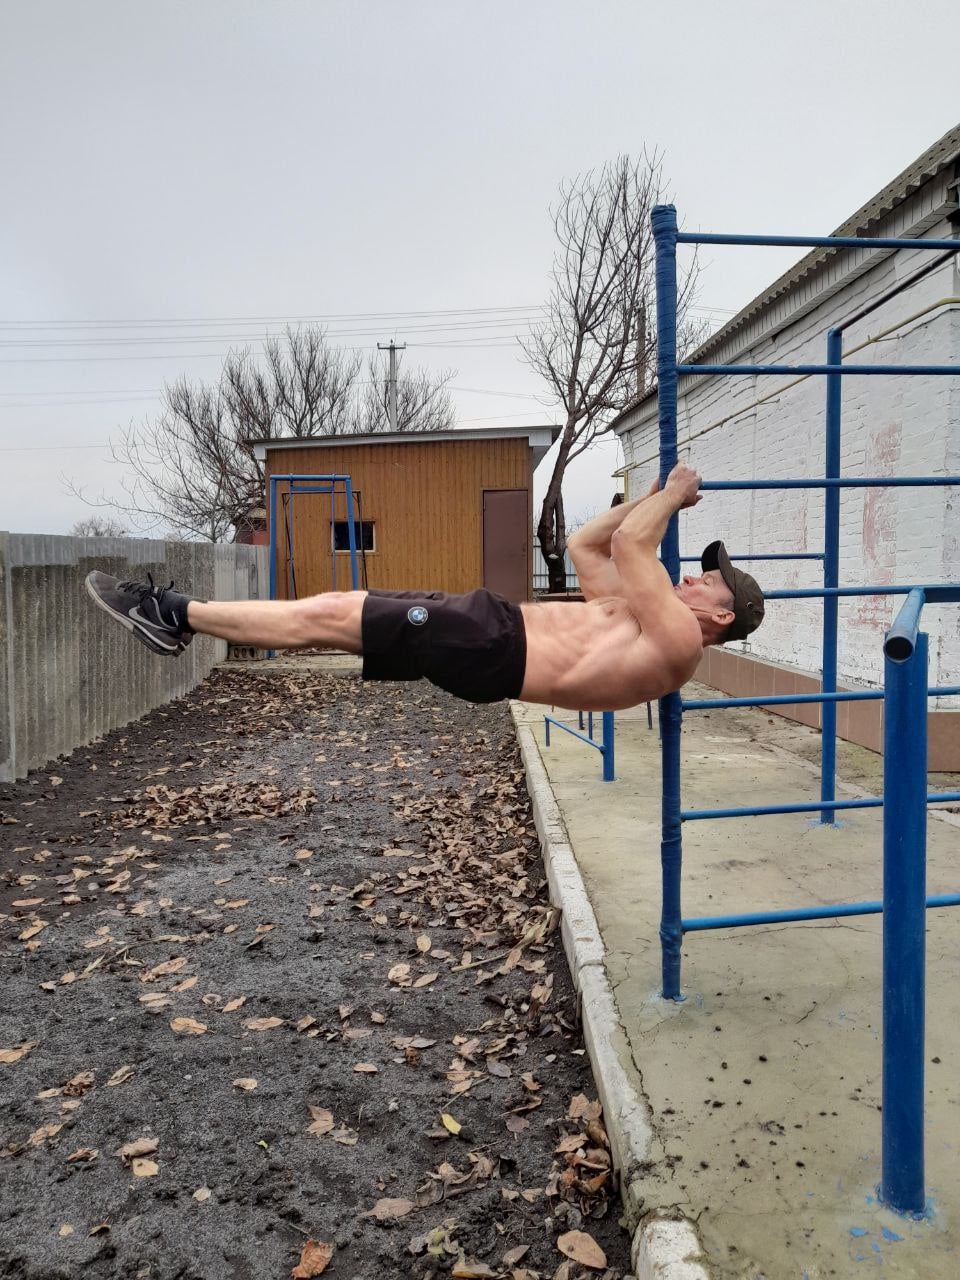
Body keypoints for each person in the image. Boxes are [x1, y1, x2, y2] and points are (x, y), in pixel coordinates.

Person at [84, 461, 764, 713]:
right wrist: (648, 495)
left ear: (720, 618)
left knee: (327, 619)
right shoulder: (638, 615)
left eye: (709, 581)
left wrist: (672, 497)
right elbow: (592, 542)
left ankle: (174, 614)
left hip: (495, 647)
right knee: (332, 608)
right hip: (491, 626)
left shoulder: (677, 641)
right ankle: (176, 614)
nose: (693, 576)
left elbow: (631, 544)